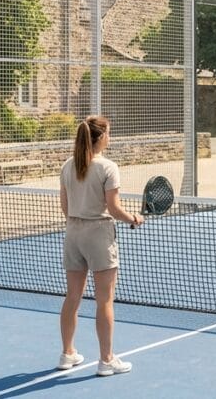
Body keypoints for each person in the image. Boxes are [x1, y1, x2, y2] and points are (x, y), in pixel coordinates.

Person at [58, 116, 144, 376]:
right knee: (104, 300)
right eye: (108, 133)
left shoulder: (67, 166)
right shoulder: (108, 167)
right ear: (100, 137)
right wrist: (134, 218)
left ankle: (67, 353)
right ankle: (106, 360)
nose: (110, 137)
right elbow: (114, 209)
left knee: (72, 296)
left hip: (73, 234)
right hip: (98, 236)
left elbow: (65, 207)